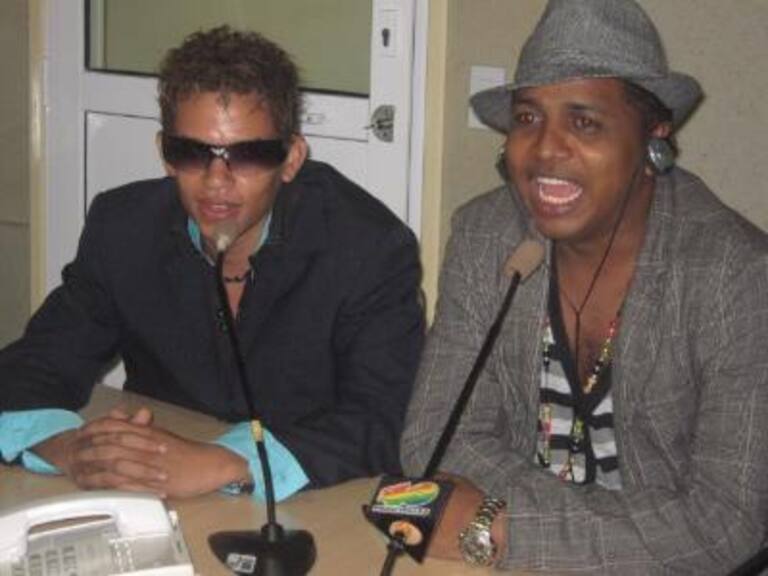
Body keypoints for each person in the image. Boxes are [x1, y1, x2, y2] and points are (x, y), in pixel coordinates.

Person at [400, 0, 768, 573]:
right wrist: (610, 530)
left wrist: (501, 526)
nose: (546, 149)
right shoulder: (485, 236)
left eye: (585, 122)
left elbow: (725, 522)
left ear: (654, 140)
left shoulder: (735, 275)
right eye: (528, 118)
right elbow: (436, 439)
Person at [0, 26, 424, 502]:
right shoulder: (123, 228)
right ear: (165, 153)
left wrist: (227, 461)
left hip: (311, 500)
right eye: (191, 152)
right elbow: (35, 364)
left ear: (290, 158)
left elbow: (384, 418)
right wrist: (70, 449)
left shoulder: (367, 247)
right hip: (157, 498)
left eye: (247, 155)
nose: (216, 180)